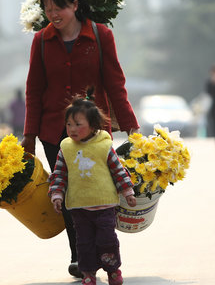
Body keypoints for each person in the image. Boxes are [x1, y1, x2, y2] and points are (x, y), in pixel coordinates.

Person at [21, 0, 139, 278]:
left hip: (95, 133)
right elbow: (34, 90)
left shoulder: (100, 35)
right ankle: (80, 256)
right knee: (70, 197)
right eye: (47, 8)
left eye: (58, 7)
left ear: (75, 5)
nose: (53, 14)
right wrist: (29, 136)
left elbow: (115, 83)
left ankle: (104, 251)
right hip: (54, 134)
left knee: (98, 194)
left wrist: (131, 127)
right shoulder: (41, 41)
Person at [48, 89, 136, 285]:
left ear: (93, 125)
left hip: (104, 206)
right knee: (84, 243)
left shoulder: (104, 146)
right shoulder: (66, 149)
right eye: (69, 124)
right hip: (79, 208)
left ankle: (113, 270)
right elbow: (59, 174)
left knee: (106, 240)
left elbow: (118, 170)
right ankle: (88, 273)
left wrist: (127, 191)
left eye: (78, 124)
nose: (72, 129)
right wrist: (57, 195)